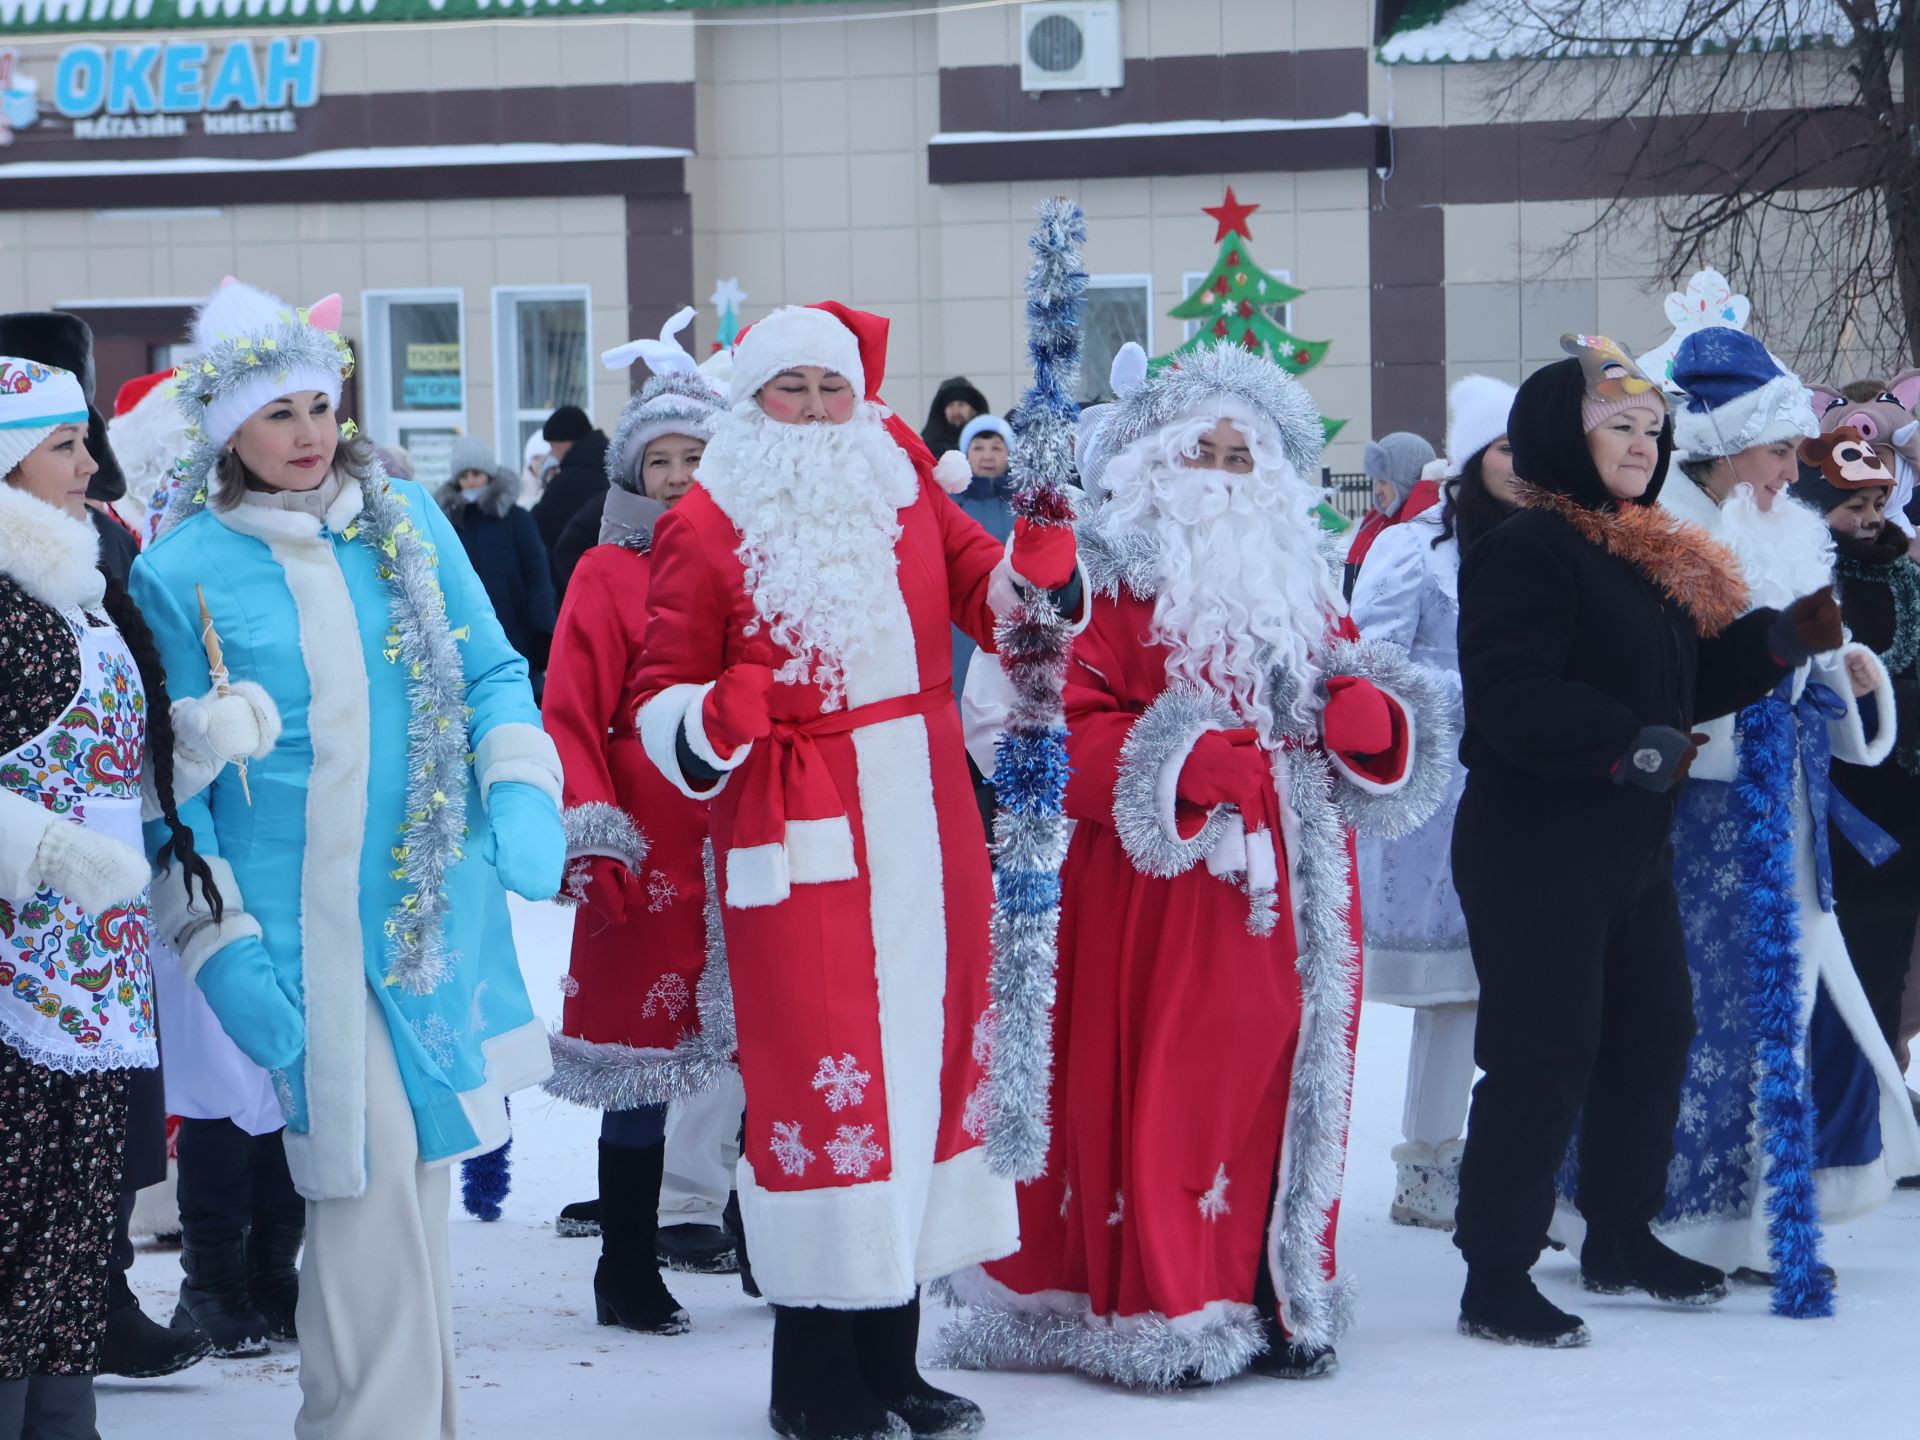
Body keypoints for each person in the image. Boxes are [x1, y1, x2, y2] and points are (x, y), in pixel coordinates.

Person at [939, 343, 1449, 1388]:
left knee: (1285, 1088)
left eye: (1239, 455)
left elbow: (1351, 703)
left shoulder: (1304, 588)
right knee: (1176, 1084)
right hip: (1158, 888)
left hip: (1300, 889)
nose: (1221, 475)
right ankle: (1169, 1305)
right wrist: (1182, 760)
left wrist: (1370, 721)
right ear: (1150, 465)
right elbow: (1035, 729)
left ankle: (1277, 1291)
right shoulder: (1102, 580)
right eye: (1201, 452)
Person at [634, 302, 1078, 1440]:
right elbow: (656, 703)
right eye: (795, 390)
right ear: (755, 401)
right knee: (823, 1082)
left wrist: (1043, 563)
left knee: (925, 1070)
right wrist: (717, 713)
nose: (821, 410)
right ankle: (812, 1381)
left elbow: (999, 598)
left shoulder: (904, 483)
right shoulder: (706, 518)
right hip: (799, 822)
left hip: (928, 823)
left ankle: (894, 1359)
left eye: (835, 388)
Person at [131, 279, 564, 1440]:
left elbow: (490, 669)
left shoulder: (404, 523)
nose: (310, 433)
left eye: (323, 405)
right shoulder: (179, 571)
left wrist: (519, 786)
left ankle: (405, 1421)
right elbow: (174, 789)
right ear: (230, 431)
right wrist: (219, 944)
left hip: (428, 909)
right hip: (300, 933)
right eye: (280, 414)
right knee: (361, 1179)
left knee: (416, 1175)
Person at [1449, 333, 1844, 1349]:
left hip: (1629, 844)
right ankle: (1494, 1273)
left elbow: (1685, 687)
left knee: (1652, 1034)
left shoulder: (1648, 550)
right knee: (1543, 1055)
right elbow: (1510, 697)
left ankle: (1621, 1234)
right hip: (1536, 845)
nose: (1640, 443)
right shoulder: (1526, 549)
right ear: (1557, 437)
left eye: (1652, 429)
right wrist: (1627, 746)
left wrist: (1781, 640)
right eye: (1618, 426)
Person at [1600, 332, 1920, 1313]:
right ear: (1729, 448)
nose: (1796, 469)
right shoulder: (1676, 542)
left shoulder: (1782, 533)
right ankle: (1686, 1216)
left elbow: (1796, 670)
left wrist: (1846, 679)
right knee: (1708, 1022)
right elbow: (1675, 692)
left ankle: (1766, 1210)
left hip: (1786, 817)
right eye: (1780, 450)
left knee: (1789, 1013)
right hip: (1700, 827)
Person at [0, 358, 231, 1439]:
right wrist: (37, 846)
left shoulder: (84, 587)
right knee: (13, 1206)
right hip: (17, 951)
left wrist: (193, 754)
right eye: (64, 446)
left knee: (83, 1212)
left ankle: (63, 1411)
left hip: (98, 955)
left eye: (87, 443)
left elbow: (109, 767)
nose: (92, 467)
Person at [541, 343, 733, 1337]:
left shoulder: (757, 569)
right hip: (649, 842)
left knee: (775, 1049)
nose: (680, 478)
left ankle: (775, 1242)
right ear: (633, 473)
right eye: (662, 463)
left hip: (747, 834)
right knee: (642, 1064)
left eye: (698, 459)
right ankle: (627, 1263)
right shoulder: (606, 576)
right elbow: (570, 710)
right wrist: (595, 835)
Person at [1350, 375, 1517, 1230]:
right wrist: (1472, 693)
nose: (1523, 467)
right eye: (1507, 451)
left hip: (1529, 784)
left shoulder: (1546, 540)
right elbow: (1367, 657)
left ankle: (1523, 1154)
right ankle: (1428, 1163)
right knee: (1455, 988)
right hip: (1442, 789)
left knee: (1523, 985)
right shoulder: (1415, 547)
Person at [1801, 428, 1920, 1189]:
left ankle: (1884, 1114)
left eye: (1878, 500)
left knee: (1891, 965)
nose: (1870, 516)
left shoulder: (1904, 574)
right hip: (1849, 807)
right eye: (1852, 504)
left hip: (1907, 802)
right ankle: (1852, 1123)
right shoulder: (1813, 580)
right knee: (1852, 968)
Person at [434, 437, 557, 687]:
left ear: (489, 475)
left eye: (476, 473)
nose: (470, 481)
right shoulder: (448, 525)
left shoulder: (516, 519)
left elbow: (537, 575)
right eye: (464, 475)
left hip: (516, 633)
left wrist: (542, 633)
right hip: (465, 637)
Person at [1343, 430, 1438, 597]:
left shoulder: (1418, 524)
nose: (1377, 490)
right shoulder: (1376, 517)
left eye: (1383, 481)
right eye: (1375, 481)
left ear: (1405, 480)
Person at [531, 404, 610, 584]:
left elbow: (537, 526)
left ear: (566, 441)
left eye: (552, 445)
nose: (552, 452)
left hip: (578, 578)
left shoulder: (568, 481)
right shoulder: (613, 467)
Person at [919, 375, 989, 458]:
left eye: (961, 405)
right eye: (950, 405)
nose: (956, 411)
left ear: (973, 410)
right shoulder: (929, 448)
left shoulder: (987, 443)